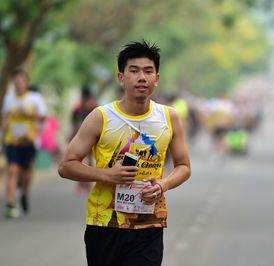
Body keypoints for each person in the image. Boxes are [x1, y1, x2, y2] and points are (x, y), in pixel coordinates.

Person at [58, 40, 191, 266]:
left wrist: (163, 185)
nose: (142, 77)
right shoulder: (101, 117)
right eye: (134, 71)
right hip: (104, 223)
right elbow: (66, 165)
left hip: (148, 223)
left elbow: (184, 166)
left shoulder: (169, 117)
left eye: (148, 71)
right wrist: (108, 175)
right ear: (121, 77)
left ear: (156, 79)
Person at [2, 69, 47, 218]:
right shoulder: (8, 99)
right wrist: (5, 126)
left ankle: (24, 193)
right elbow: (4, 119)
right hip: (12, 141)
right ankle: (10, 203)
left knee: (27, 175)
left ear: (26, 83)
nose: (18, 85)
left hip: (29, 141)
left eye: (20, 82)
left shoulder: (35, 99)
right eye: (15, 82)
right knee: (12, 170)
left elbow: (43, 117)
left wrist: (27, 114)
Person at [70, 86, 98, 195]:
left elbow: (73, 123)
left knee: (86, 160)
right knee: (83, 160)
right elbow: (73, 122)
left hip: (86, 137)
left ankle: (85, 183)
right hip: (83, 137)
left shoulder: (91, 107)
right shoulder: (81, 108)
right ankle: (83, 184)